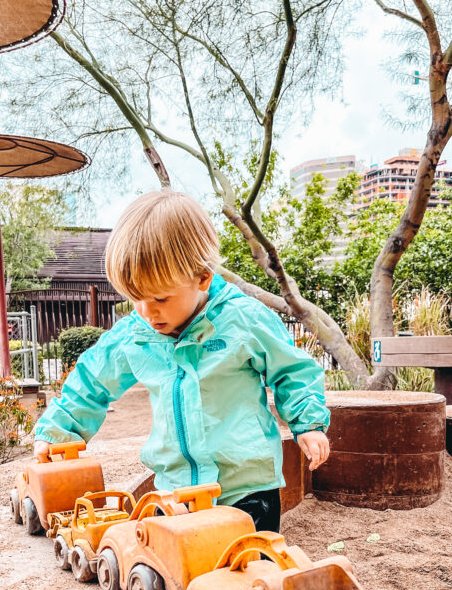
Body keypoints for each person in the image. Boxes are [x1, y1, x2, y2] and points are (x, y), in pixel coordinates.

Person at [33, 189, 331, 532]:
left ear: (202, 277)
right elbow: (92, 380)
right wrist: (58, 431)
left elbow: (291, 369)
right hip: (175, 492)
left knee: (248, 570)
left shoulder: (243, 320)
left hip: (245, 487)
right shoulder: (136, 333)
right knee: (175, 572)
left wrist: (307, 423)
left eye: (160, 297)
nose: (147, 312)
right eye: (135, 299)